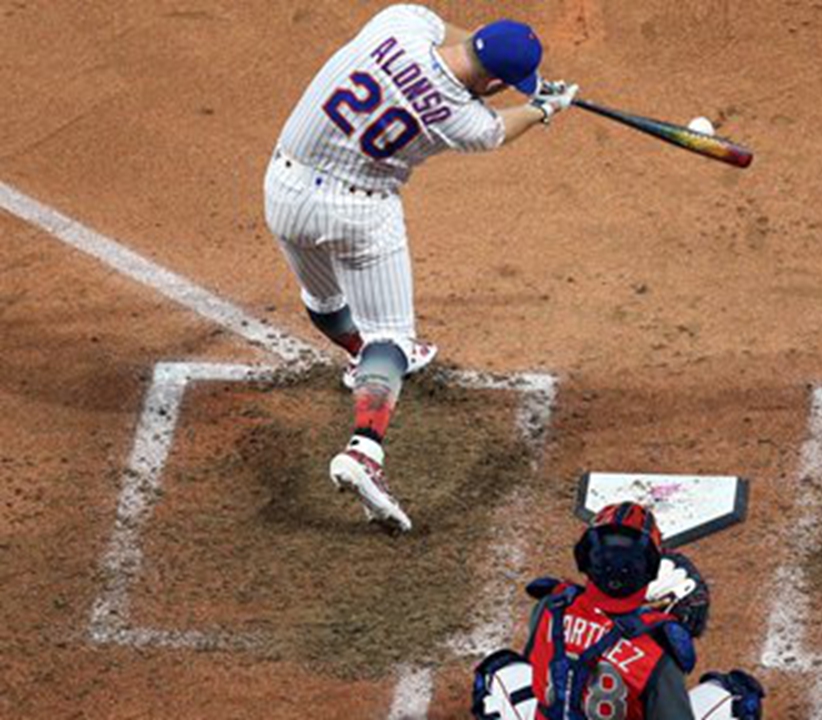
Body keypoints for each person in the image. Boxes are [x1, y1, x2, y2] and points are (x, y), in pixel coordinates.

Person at [262, 5, 578, 531]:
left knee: (323, 299)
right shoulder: (463, 121)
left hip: (285, 189)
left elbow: (452, 37)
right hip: (360, 211)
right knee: (394, 341)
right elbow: (501, 128)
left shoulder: (398, 23)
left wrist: (524, 83)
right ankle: (364, 451)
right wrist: (544, 107)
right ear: (499, 81)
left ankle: (354, 357)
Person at [472, 502, 766, 719]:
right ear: (649, 570)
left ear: (586, 558)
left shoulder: (551, 606)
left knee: (499, 672)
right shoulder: (657, 652)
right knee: (738, 697)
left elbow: (545, 668)